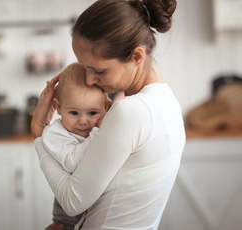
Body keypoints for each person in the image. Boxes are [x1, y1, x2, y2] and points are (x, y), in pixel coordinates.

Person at [32, 0, 186, 229]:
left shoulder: (130, 112)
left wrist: (38, 135)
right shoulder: (168, 101)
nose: (88, 80)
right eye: (85, 67)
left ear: (136, 57)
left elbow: (73, 201)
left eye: (99, 70)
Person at [41, 62, 110, 230]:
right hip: (68, 219)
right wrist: (97, 133)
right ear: (58, 107)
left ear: (105, 108)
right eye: (73, 113)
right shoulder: (54, 133)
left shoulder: (106, 128)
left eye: (92, 113)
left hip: (97, 212)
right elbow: (72, 162)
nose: (83, 121)